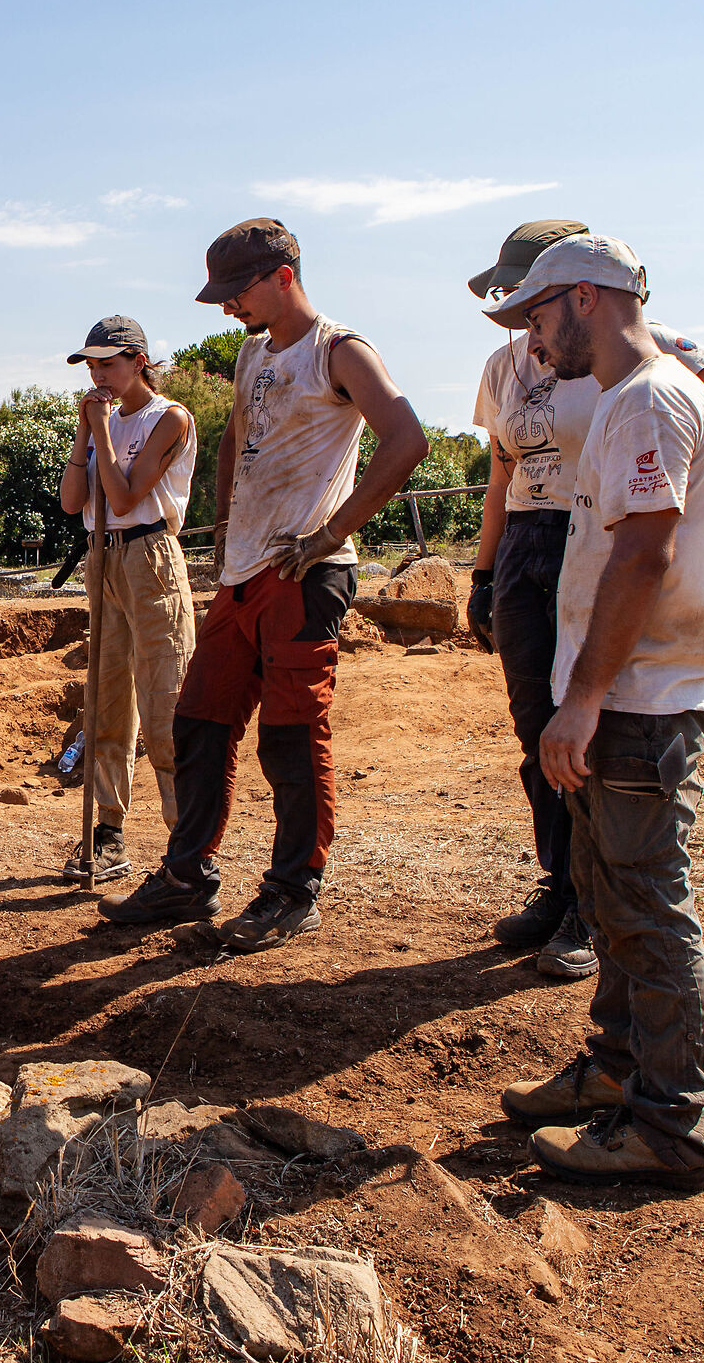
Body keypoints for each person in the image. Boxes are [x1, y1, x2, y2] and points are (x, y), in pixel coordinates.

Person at [99, 219, 428, 950]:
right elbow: (232, 441)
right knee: (200, 721)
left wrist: (331, 534)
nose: (227, 306)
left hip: (306, 573)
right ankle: (188, 875)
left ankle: (292, 890)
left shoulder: (340, 351)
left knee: (290, 734)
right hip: (244, 573)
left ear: (283, 276)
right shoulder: (253, 352)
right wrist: (224, 528)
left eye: (236, 291)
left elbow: (408, 440)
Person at [486, 232, 704, 1192]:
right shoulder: (636, 397)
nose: (533, 340)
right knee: (611, 895)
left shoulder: (648, 402)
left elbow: (643, 556)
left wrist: (583, 699)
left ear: (585, 297)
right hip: (624, 697)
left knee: (645, 908)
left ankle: (670, 1127)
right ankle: (620, 1070)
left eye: (539, 315)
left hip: (640, 700)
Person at [465, 221, 704, 979]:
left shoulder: (644, 367)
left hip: (607, 543)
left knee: (597, 736)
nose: (523, 321)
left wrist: (665, 488)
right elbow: (503, 470)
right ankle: (567, 884)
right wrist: (484, 571)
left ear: (578, 294)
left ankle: (592, 910)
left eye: (529, 302)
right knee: (543, 730)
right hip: (535, 542)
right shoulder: (512, 364)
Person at [57, 316, 198, 883]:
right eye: (91, 365)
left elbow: (123, 498)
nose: (98, 375)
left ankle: (186, 848)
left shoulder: (169, 418)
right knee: (107, 701)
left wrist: (102, 430)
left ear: (139, 362)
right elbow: (73, 503)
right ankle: (109, 834)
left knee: (165, 702)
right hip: (103, 560)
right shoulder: (103, 422)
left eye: (108, 364)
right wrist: (85, 435)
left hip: (149, 556)